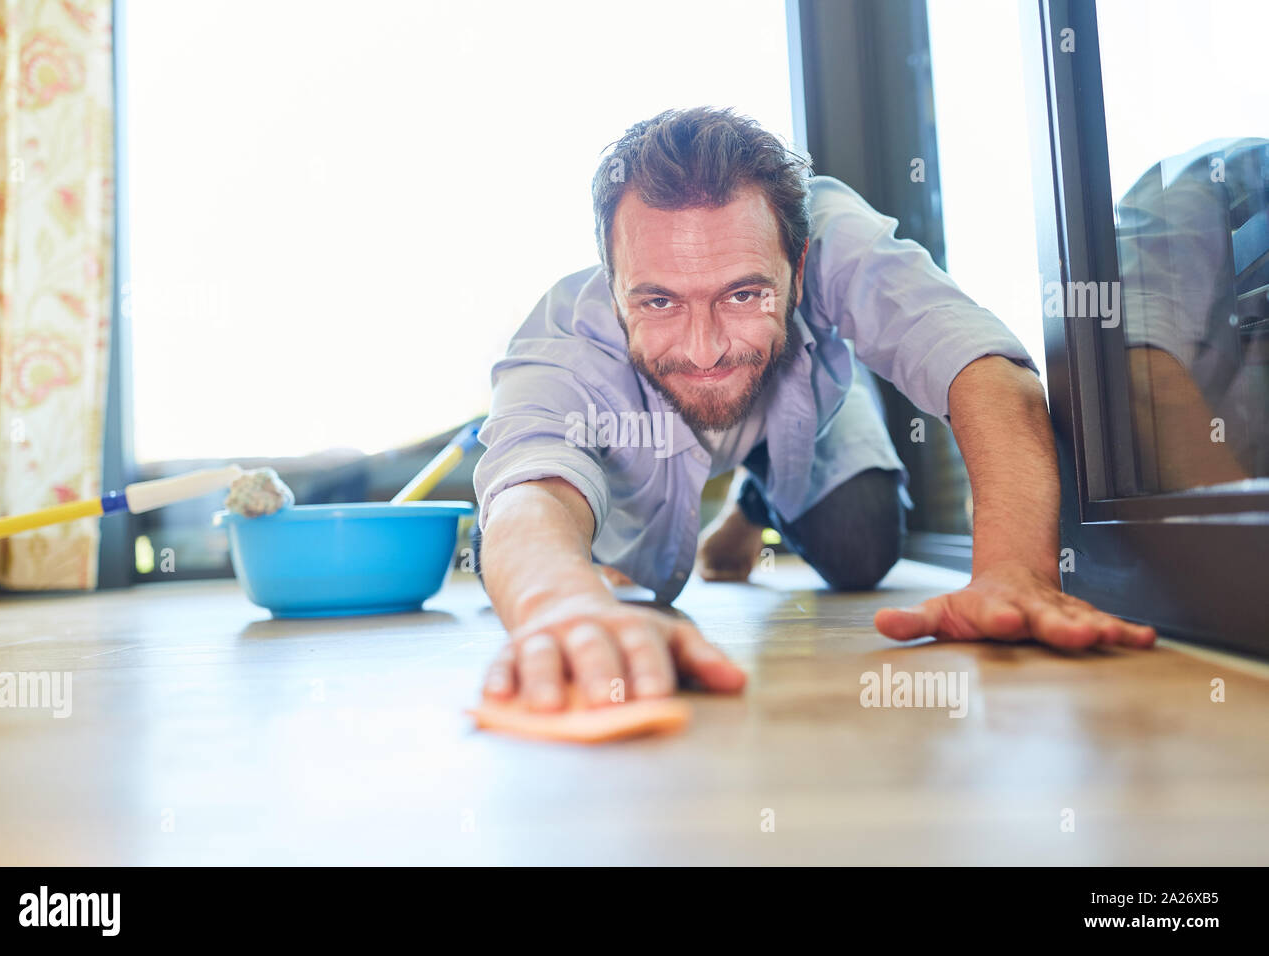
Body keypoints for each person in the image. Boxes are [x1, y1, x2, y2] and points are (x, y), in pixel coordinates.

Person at [472, 107, 1156, 712]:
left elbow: (982, 369)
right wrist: (558, 604)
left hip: (800, 411)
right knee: (631, 584)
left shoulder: (833, 234)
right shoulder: (561, 341)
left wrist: (1015, 571)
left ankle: (753, 502)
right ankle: (749, 488)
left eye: (744, 294)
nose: (705, 347)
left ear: (799, 270)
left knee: (863, 551)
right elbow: (528, 491)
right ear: (612, 288)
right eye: (658, 302)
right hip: (650, 452)